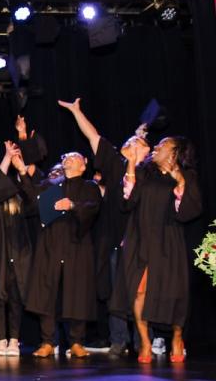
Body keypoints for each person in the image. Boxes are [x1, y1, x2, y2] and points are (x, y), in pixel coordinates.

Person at [59, 98, 151, 357]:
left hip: (142, 238)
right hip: (113, 236)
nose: (137, 149)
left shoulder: (150, 174)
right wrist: (77, 112)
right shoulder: (114, 164)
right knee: (114, 289)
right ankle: (119, 339)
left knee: (143, 289)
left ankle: (147, 339)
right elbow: (92, 135)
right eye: (134, 145)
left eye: (142, 148)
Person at [115, 136, 202, 363]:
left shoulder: (187, 176)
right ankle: (144, 341)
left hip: (168, 241)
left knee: (174, 293)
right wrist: (132, 163)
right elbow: (127, 201)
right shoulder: (145, 173)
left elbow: (188, 211)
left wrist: (180, 181)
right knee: (139, 290)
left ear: (174, 152)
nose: (156, 147)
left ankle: (177, 336)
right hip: (140, 239)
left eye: (162, 145)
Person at [18, 148, 101, 359]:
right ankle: (47, 341)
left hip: (76, 245)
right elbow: (32, 199)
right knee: (46, 292)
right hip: (50, 245)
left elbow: (93, 207)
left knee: (77, 293)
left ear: (83, 165)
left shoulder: (89, 186)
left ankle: (76, 341)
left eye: (74, 157)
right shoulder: (51, 185)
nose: (67, 159)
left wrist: (72, 205)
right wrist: (22, 171)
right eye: (65, 156)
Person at [0, 141, 34, 357]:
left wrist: (21, 169)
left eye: (0, 167)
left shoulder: (16, 196)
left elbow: (33, 199)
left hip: (17, 251)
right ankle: (1, 339)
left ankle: (14, 339)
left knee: (15, 296)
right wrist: (5, 158)